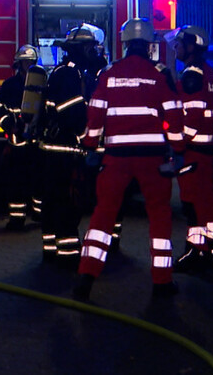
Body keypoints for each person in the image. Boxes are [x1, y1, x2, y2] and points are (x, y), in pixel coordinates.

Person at [74, 18, 185, 301]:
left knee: (103, 214)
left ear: (124, 45)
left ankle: (86, 277)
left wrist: (89, 146)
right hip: (152, 159)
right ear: (149, 46)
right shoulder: (159, 74)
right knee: (159, 215)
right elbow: (173, 114)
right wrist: (177, 149)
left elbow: (95, 113)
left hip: (116, 158)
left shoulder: (109, 73)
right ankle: (162, 281)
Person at [37, 23, 104, 265]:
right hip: (64, 150)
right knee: (66, 203)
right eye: (90, 48)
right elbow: (73, 112)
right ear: (79, 49)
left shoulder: (66, 72)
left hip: (55, 148)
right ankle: (67, 255)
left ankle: (50, 248)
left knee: (53, 201)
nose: (94, 53)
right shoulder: (69, 74)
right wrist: (86, 140)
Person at [167, 24, 213, 273]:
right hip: (206, 149)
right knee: (205, 202)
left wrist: (177, 145)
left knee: (192, 204)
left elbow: (193, 117)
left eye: (180, 43)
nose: (176, 47)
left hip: (193, 151)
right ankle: (206, 250)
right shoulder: (209, 74)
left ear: (191, 47)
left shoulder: (192, 76)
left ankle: (195, 251)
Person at [0, 44, 41, 230]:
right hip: (17, 140)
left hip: (36, 140)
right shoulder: (10, 85)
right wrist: (8, 125)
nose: (27, 66)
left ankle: (39, 214)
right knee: (16, 182)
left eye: (31, 63)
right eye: (24, 62)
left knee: (38, 179)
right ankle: (17, 218)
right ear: (18, 64)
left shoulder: (41, 85)